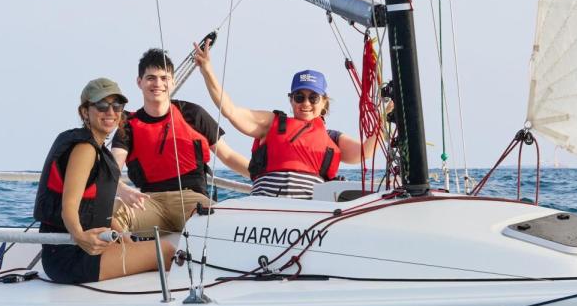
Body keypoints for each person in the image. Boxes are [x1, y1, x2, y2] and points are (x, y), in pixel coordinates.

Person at [194, 42, 387, 199]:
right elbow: (230, 111)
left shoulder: (333, 138)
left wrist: (385, 118)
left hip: (306, 214)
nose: (306, 103)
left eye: (313, 98)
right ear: (291, 99)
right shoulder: (271, 123)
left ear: (324, 102)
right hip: (264, 209)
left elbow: (365, 151)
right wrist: (208, 71)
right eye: (299, 97)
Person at [34, 78, 174, 283]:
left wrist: (126, 240)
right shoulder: (85, 149)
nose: (110, 112)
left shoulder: (97, 149)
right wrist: (81, 237)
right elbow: (69, 206)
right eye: (101, 105)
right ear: (84, 112)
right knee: (167, 251)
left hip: (90, 247)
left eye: (117, 105)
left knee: (149, 250)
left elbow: (99, 207)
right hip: (71, 255)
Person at [109, 49, 250, 236]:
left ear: (173, 82)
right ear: (139, 82)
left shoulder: (193, 114)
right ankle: (130, 259)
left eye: (163, 78)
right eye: (151, 78)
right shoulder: (127, 125)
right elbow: (112, 168)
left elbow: (228, 156)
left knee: (227, 224)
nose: (157, 84)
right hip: (149, 202)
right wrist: (122, 189)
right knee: (107, 214)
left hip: (192, 199)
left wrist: (263, 176)